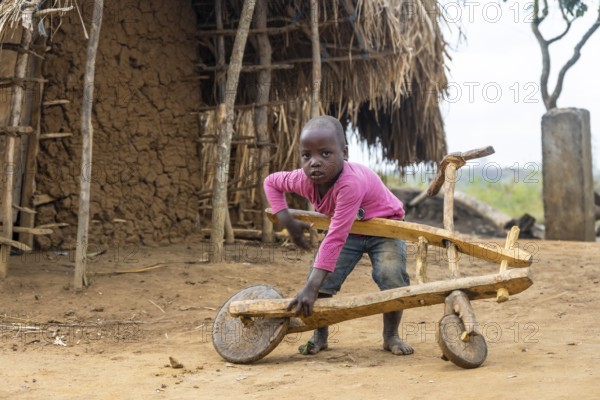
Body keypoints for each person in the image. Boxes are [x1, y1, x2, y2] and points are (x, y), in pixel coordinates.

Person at [263, 115, 413, 356]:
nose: (315, 162)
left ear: (344, 152)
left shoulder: (349, 183)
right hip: (351, 229)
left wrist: (310, 286)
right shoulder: (302, 180)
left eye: (325, 154)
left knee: (391, 275)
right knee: (324, 281)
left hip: (386, 227)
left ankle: (391, 336)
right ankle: (319, 337)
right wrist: (287, 220)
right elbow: (271, 182)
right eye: (306, 155)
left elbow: (334, 237)